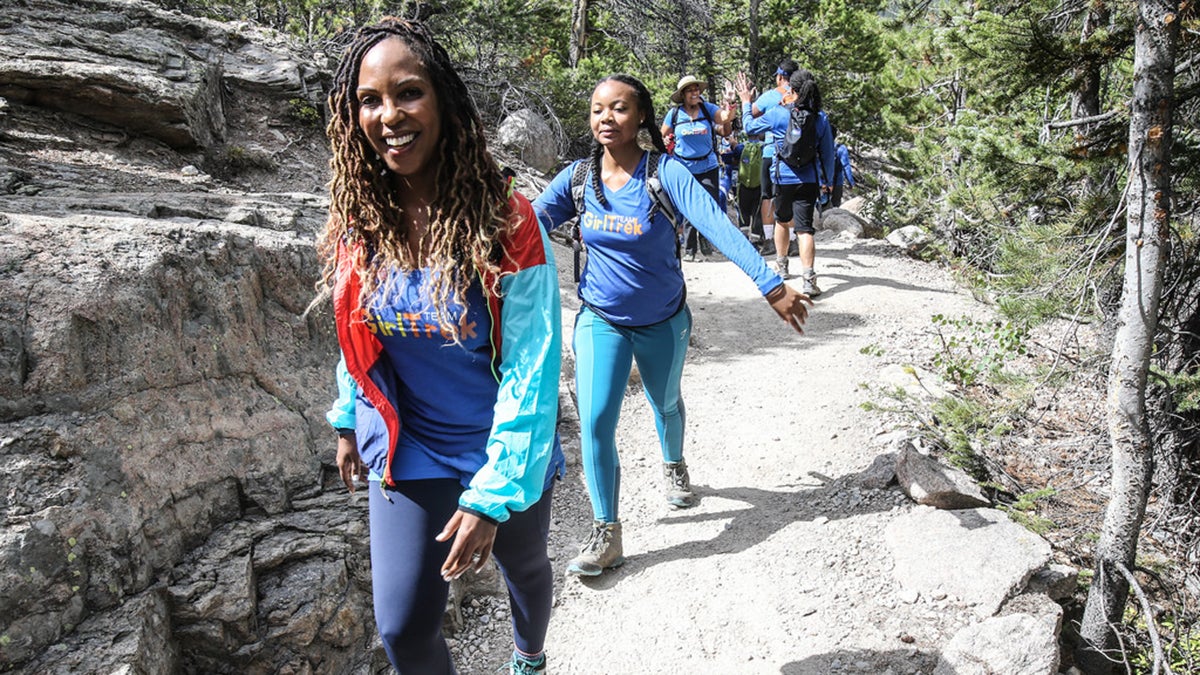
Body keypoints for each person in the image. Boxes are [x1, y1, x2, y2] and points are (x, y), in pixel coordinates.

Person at [318, 18, 563, 675]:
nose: (389, 114)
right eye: (370, 100)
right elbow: (358, 333)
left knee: (526, 565)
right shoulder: (361, 217)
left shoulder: (508, 219)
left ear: (442, 101)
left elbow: (533, 368)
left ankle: (530, 654)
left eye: (408, 93)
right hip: (411, 444)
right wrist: (348, 416)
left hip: (503, 442)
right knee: (401, 627)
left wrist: (493, 490)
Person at [533, 74, 813, 577]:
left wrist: (770, 284)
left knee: (665, 401)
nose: (606, 119)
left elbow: (717, 224)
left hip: (663, 320)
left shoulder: (666, 174)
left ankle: (674, 464)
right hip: (600, 318)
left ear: (640, 115)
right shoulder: (577, 179)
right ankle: (606, 531)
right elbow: (528, 223)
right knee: (597, 421)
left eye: (618, 108)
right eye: (597, 109)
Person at [736, 68, 835, 296]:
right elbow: (827, 153)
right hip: (808, 179)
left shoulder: (779, 114)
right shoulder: (820, 118)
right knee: (805, 229)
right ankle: (809, 279)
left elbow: (749, 128)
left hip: (782, 177)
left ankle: (782, 267)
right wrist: (827, 180)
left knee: (782, 221)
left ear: (791, 88)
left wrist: (745, 102)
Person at [661, 75, 735, 261]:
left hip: (707, 165)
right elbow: (663, 135)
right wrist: (665, 144)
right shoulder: (675, 114)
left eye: (696, 89)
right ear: (683, 94)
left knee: (708, 204)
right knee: (688, 206)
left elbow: (725, 117)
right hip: (683, 167)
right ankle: (690, 249)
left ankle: (705, 238)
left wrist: (731, 103)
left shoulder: (707, 109)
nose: (695, 93)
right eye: (690, 90)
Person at [749, 58, 799, 256]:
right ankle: (794, 239)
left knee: (767, 196)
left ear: (780, 77)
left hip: (771, 151)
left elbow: (752, 114)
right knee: (792, 196)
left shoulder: (770, 96)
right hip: (793, 153)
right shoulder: (800, 95)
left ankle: (769, 239)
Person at [830, 123, 855, 208]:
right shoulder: (841, 148)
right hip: (837, 181)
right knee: (835, 205)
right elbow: (846, 166)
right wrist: (851, 182)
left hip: (821, 181)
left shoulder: (818, 146)